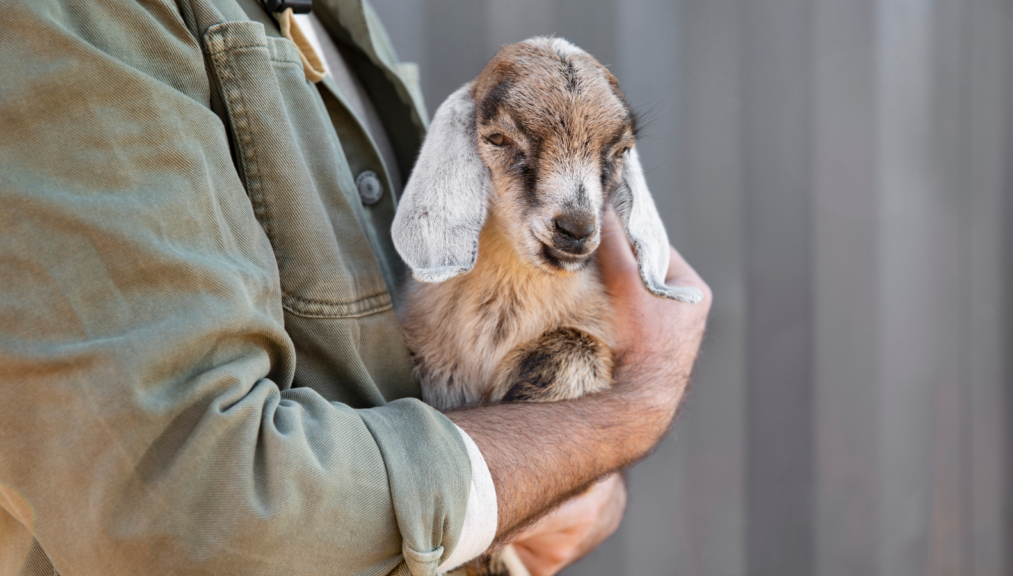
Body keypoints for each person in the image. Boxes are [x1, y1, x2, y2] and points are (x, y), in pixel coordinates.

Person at [0, 1, 711, 575]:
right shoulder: (78, 17)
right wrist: (630, 409)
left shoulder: (335, 17)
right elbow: (190, 512)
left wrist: (558, 471)